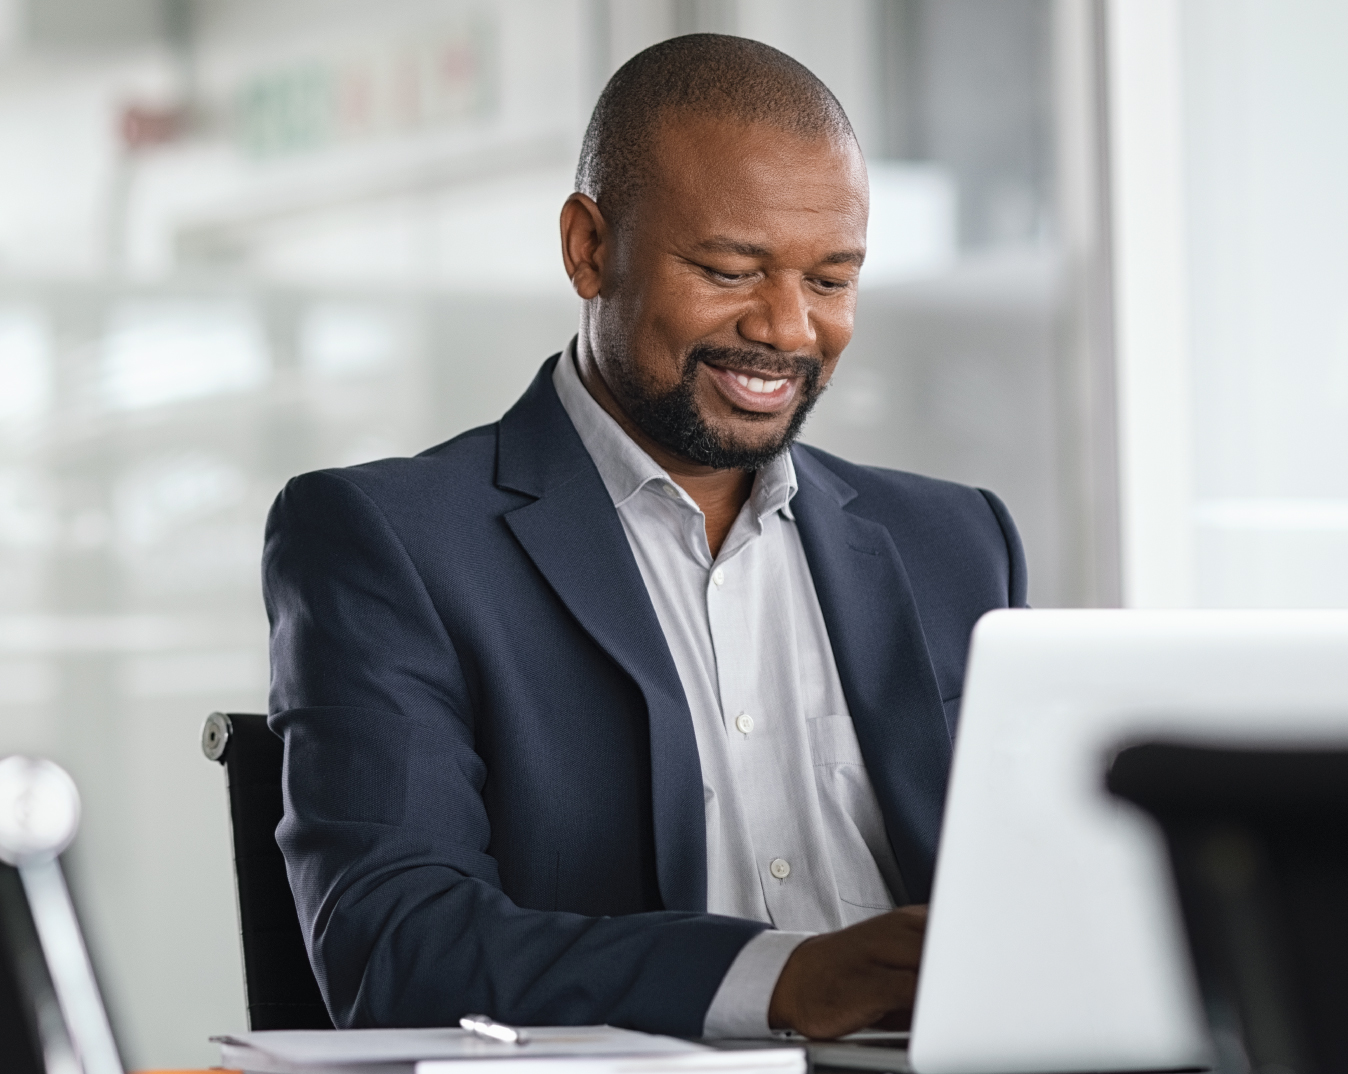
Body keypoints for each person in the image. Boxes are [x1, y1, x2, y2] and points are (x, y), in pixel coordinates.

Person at [264, 34, 1026, 1042]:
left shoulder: (954, 541)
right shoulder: (392, 542)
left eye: (832, 282)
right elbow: (398, 946)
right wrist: (782, 979)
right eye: (728, 269)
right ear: (589, 248)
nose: (790, 329)